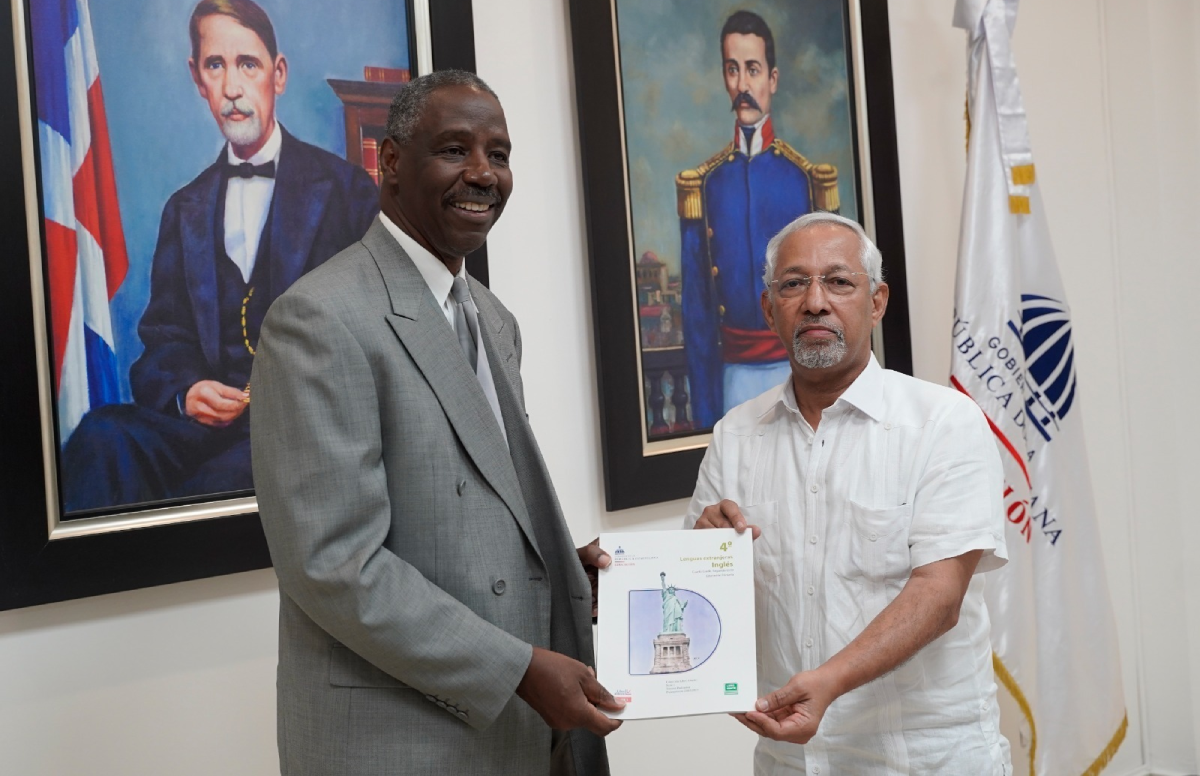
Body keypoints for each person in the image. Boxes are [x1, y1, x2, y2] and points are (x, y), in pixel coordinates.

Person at [250, 70, 621, 776]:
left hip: (508, 739)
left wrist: (555, 575)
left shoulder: (493, 319)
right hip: (396, 742)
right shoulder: (318, 320)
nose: (483, 174)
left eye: (500, 154)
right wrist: (516, 667)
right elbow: (334, 565)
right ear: (389, 162)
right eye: (455, 150)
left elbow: (473, 500)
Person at [687, 212, 1012, 774]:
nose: (815, 301)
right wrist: (701, 555)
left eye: (838, 281)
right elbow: (703, 602)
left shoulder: (944, 423)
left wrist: (828, 683)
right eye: (793, 284)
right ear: (769, 309)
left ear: (877, 301)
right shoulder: (735, 436)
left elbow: (939, 597)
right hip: (788, 756)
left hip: (922, 757)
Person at [60, 0, 378, 511]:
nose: (232, 88)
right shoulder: (183, 209)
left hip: (306, 427)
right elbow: (162, 344)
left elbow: (378, 334)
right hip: (209, 431)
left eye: (247, 64)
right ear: (197, 78)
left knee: (207, 490)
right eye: (216, 65)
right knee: (101, 439)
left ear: (278, 75)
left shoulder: (348, 192)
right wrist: (187, 392)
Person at [676, 10, 841, 430]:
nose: (743, 85)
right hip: (731, 381)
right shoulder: (705, 183)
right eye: (733, 70)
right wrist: (706, 410)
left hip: (804, 375)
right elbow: (696, 310)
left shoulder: (806, 180)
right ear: (724, 78)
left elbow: (838, 298)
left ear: (773, 79)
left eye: (753, 69)